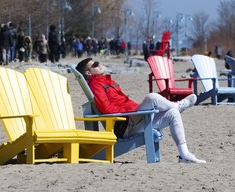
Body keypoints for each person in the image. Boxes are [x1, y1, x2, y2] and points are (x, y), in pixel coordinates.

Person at [76, 58, 206, 163]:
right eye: (96, 64)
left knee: (173, 113)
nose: (100, 64)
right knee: (152, 97)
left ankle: (184, 155)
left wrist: (133, 111)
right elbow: (106, 109)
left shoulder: (108, 81)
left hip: (133, 118)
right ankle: (177, 105)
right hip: (125, 124)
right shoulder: (95, 85)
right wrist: (129, 112)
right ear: (88, 73)